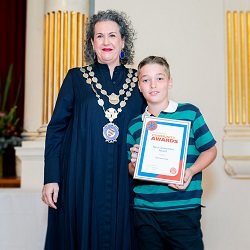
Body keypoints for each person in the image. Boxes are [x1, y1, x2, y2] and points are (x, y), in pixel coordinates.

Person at [42, 9, 146, 250]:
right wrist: (51, 178)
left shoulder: (139, 81)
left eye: (112, 35)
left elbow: (152, 124)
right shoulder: (75, 78)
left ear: (123, 41)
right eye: (99, 36)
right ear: (92, 43)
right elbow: (56, 129)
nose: (106, 42)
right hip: (80, 177)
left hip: (125, 178)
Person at [127, 56, 217, 250]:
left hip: (183, 209)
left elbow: (210, 150)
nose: (153, 84)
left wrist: (191, 171)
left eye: (159, 78)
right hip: (145, 211)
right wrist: (135, 163)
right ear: (139, 87)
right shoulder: (135, 125)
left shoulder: (190, 113)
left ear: (170, 82)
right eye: (145, 80)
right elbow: (131, 170)